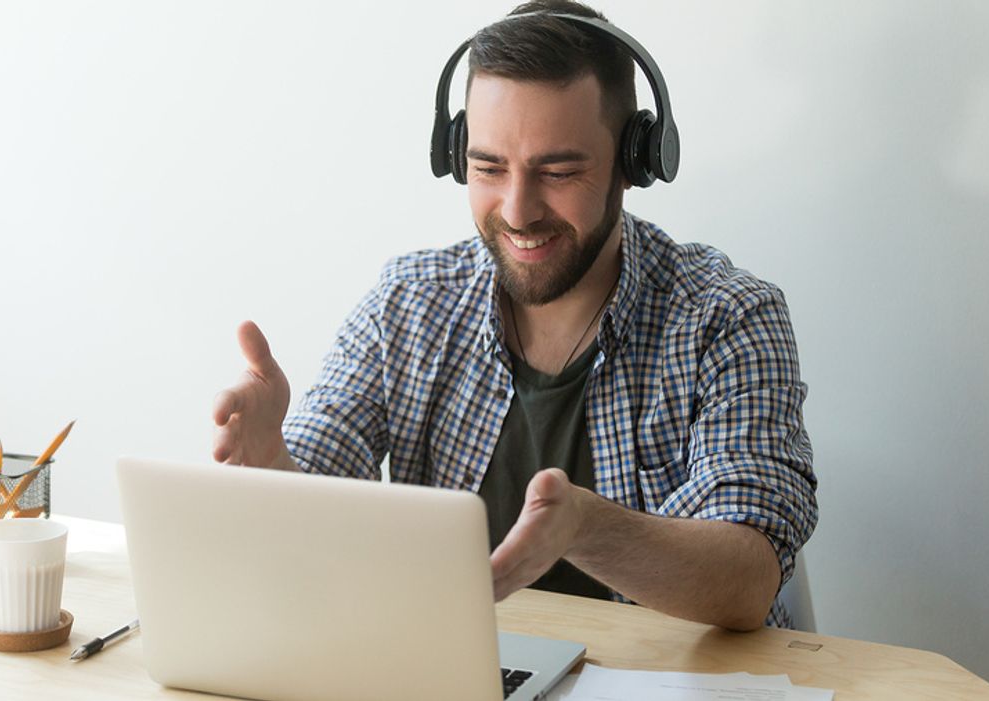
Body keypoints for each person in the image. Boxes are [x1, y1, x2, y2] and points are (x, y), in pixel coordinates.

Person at [212, 0, 817, 631]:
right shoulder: (409, 304)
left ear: (636, 163)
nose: (518, 210)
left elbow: (747, 580)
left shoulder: (728, 317)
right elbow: (320, 501)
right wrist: (273, 467)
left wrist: (586, 527)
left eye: (558, 171)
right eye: (488, 167)